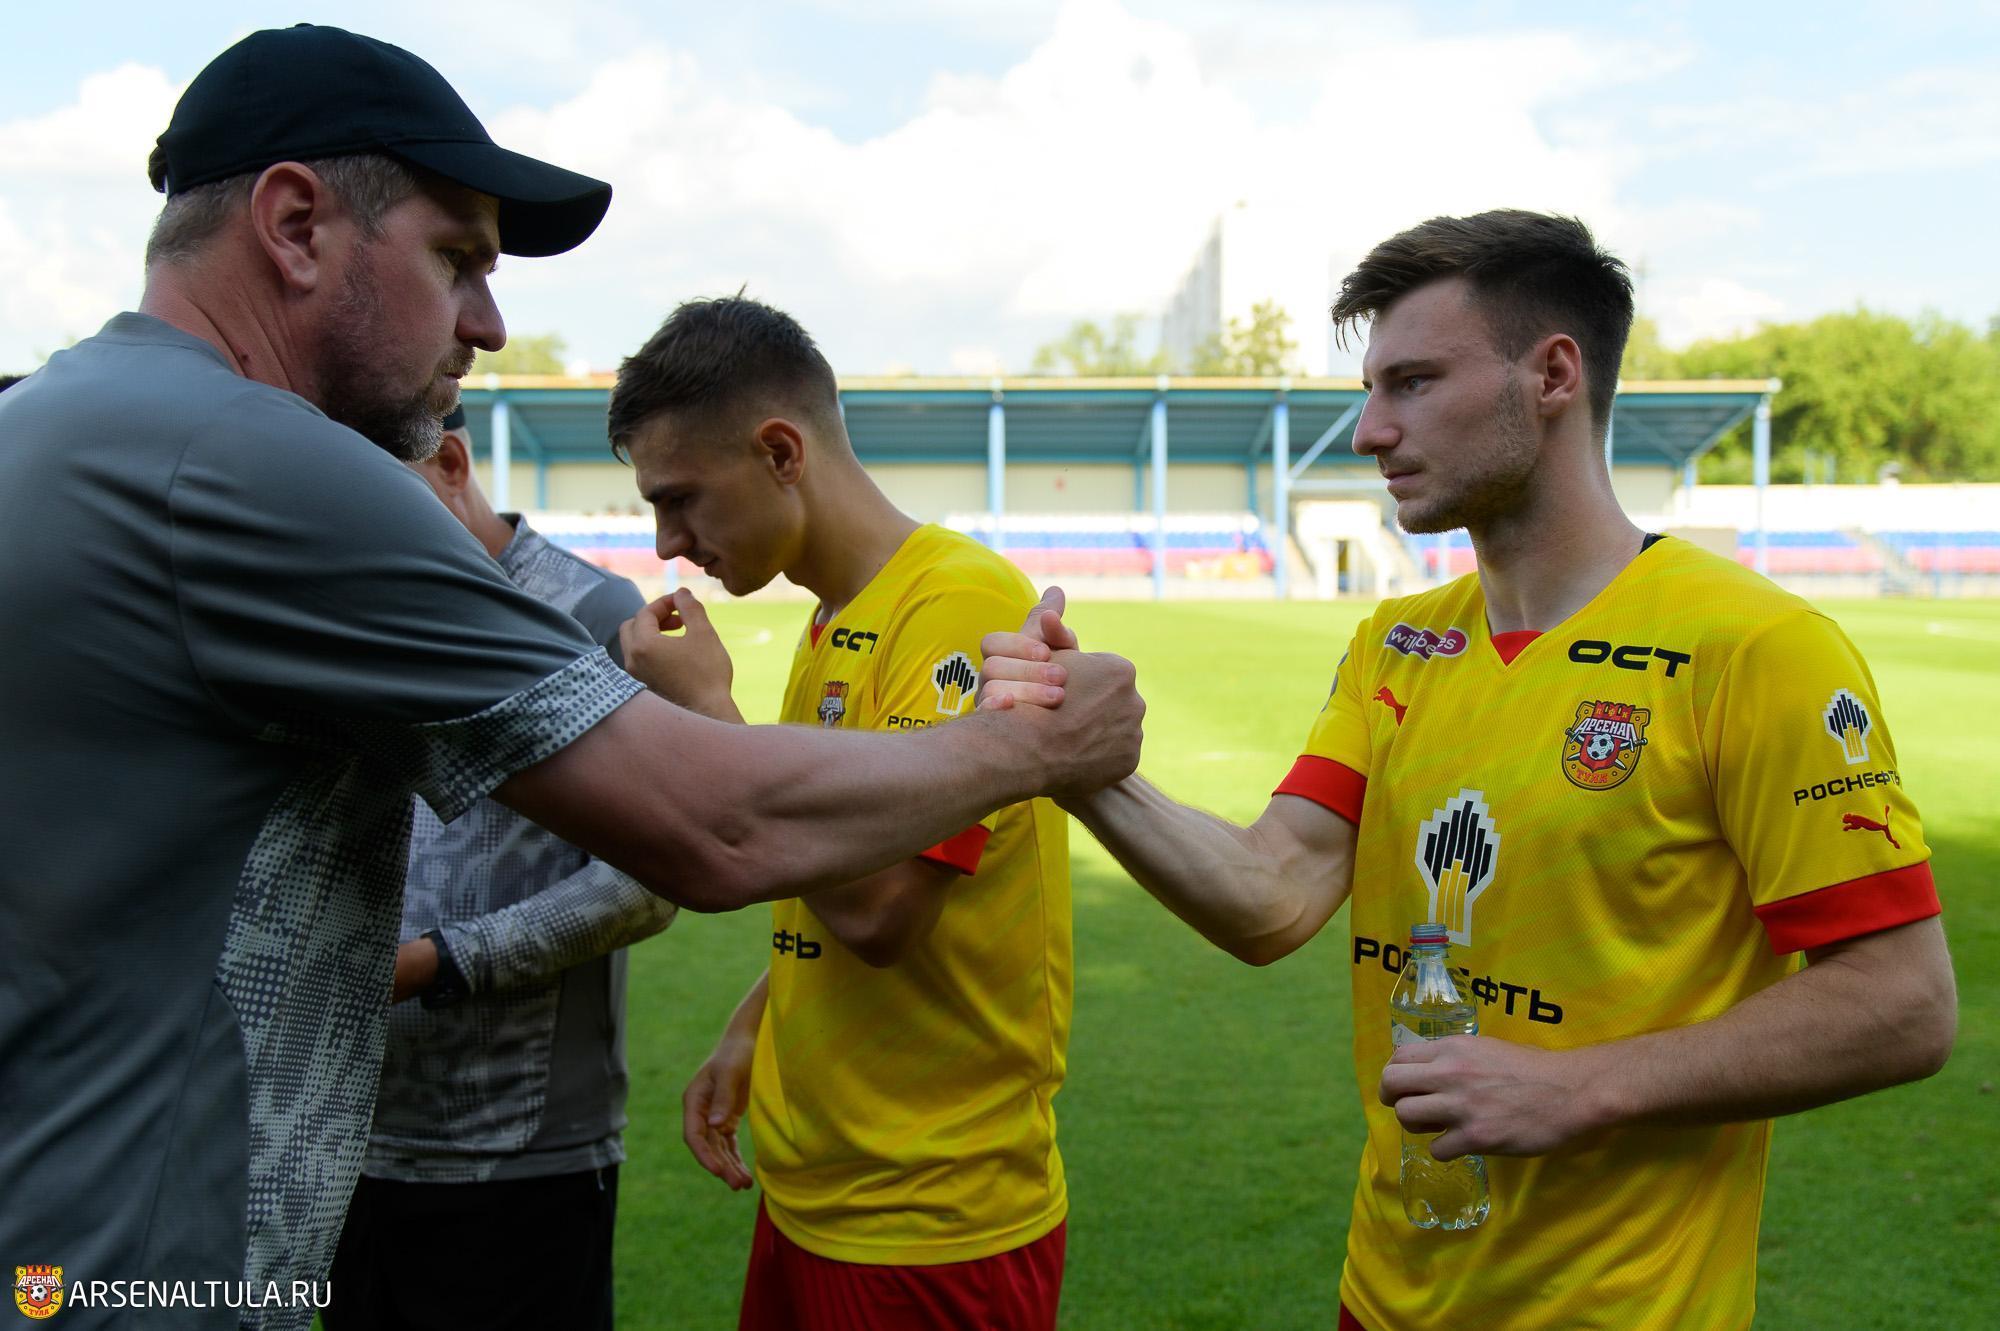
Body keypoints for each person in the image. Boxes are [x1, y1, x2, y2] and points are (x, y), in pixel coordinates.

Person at [0, 25, 1140, 1331]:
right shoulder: (255, 465)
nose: (488, 323)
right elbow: (717, 823)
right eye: (457, 258)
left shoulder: (48, 425)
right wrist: (1041, 745)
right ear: (296, 225)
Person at [978, 210, 1955, 1330]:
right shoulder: (1396, 642)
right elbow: (1271, 892)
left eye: (1412, 383)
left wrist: (1578, 1085)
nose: (1368, 431)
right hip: (1382, 1295)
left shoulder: (1755, 648)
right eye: (1370, 390)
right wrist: (1081, 764)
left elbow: (1902, 1000)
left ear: (1552, 376)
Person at [606, 296, 1071, 1331]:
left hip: (929, 1216)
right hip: (816, 1185)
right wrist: (755, 1021)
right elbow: (832, 869)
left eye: (679, 499)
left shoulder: (956, 607)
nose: (670, 541)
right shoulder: (835, 618)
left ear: (780, 452)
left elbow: (881, 908)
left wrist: (708, 708)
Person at [323, 408, 675, 1331]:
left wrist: (437, 961)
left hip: (517, 1153)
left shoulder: (591, 615)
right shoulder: (344, 611)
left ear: (450, 462)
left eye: (372, 498)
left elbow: (648, 880)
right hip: (339, 1130)